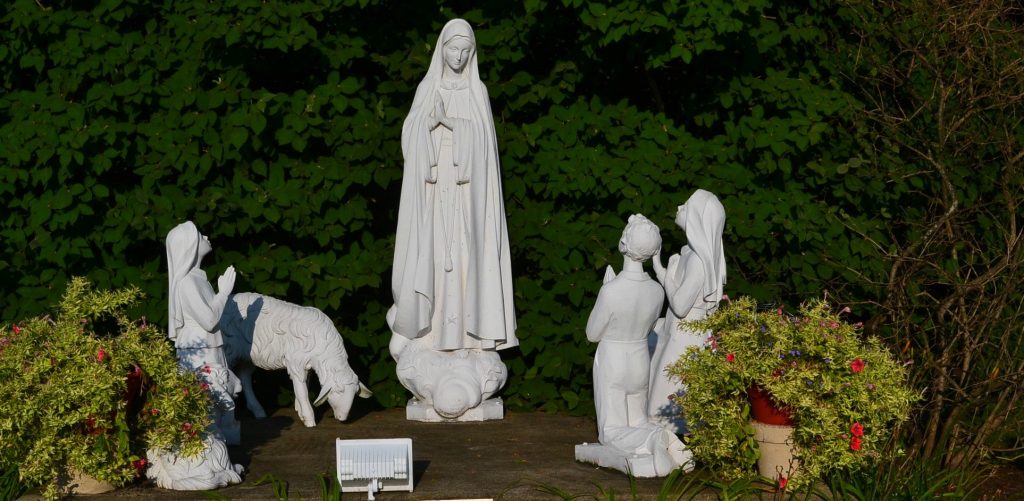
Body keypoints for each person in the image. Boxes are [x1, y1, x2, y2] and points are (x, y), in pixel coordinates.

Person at [388, 18, 516, 354]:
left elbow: (485, 148)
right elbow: (411, 139)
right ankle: (431, 335)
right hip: (434, 190)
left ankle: (467, 339)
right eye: (453, 49)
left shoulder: (478, 92)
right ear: (442, 49)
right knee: (431, 258)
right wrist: (429, 124)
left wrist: (452, 124)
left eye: (465, 50)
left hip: (468, 195)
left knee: (464, 257)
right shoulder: (427, 90)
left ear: (472, 54)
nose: (458, 56)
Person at [647, 189, 727, 434]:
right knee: (659, 406)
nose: (680, 206)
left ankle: (677, 454)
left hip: (684, 340)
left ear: (697, 217)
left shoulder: (699, 261)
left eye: (687, 205)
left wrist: (663, 272)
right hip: (675, 333)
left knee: (667, 410)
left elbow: (681, 306)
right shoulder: (690, 254)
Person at [166, 221, 241, 441]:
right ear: (189, 246)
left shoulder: (198, 279)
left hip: (209, 346)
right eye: (200, 235)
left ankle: (219, 437)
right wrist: (224, 293)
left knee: (219, 394)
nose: (206, 236)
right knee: (209, 396)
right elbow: (209, 320)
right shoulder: (188, 283)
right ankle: (208, 442)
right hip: (199, 349)